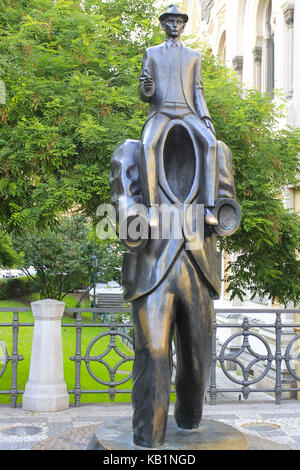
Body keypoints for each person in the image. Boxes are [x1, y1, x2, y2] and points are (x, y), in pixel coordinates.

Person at [139, 4, 218, 228]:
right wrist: (147, 88)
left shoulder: (194, 57)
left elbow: (198, 91)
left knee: (211, 143)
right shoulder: (151, 53)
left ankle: (209, 208)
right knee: (147, 146)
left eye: (179, 22)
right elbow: (145, 94)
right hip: (161, 111)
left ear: (183, 26)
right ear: (163, 24)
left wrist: (206, 118)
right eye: (171, 21)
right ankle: (152, 209)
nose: (175, 25)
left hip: (187, 112)